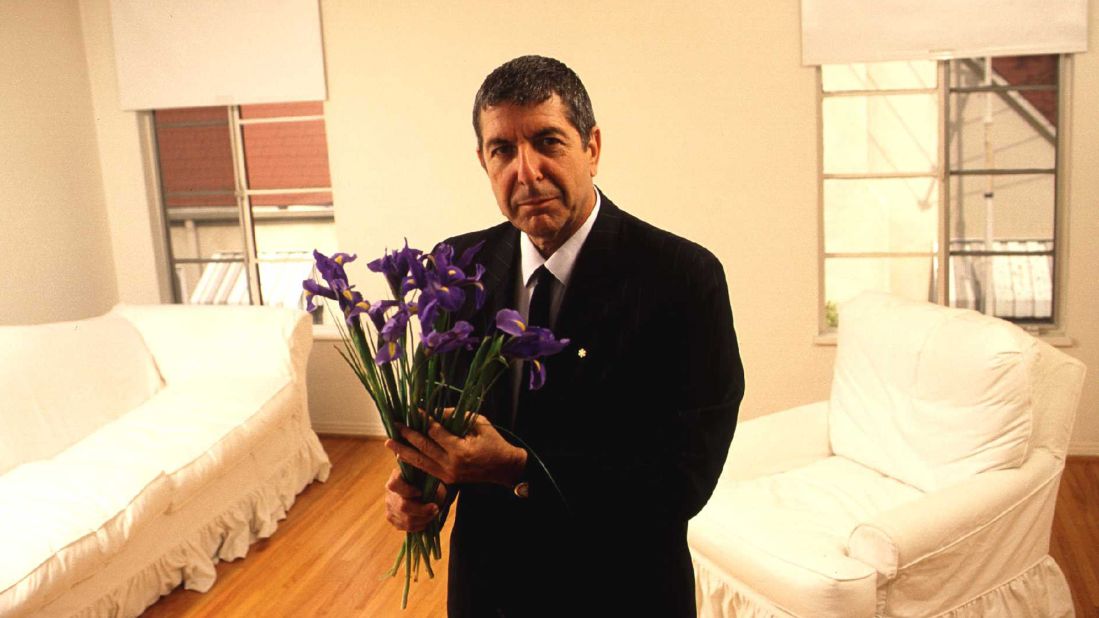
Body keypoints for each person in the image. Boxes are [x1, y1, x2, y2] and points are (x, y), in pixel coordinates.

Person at [384, 55, 744, 617]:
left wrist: (518, 468)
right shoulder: (455, 266)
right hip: (489, 590)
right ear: (483, 161)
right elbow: (449, 427)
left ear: (592, 147)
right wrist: (425, 488)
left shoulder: (684, 279)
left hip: (623, 591)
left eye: (548, 142)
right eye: (502, 149)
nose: (525, 172)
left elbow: (682, 480)